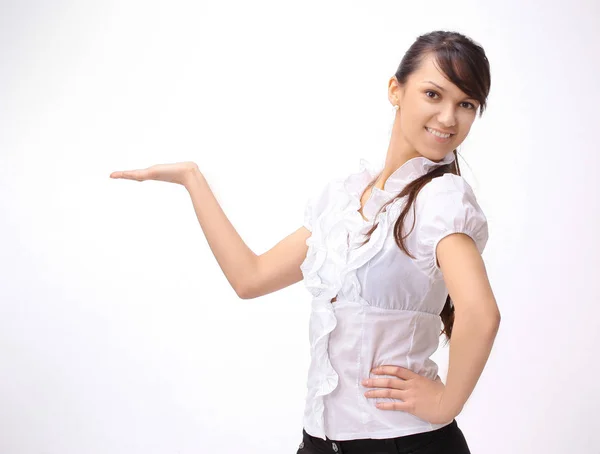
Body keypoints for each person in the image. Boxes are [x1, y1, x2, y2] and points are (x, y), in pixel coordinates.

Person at [110, 30, 500, 454]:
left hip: (402, 441)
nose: (448, 118)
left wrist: (446, 404)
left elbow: (480, 314)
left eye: (466, 104)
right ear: (396, 90)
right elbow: (251, 278)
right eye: (433, 94)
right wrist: (192, 179)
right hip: (319, 442)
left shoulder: (441, 198)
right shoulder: (345, 203)